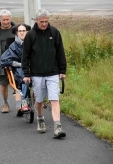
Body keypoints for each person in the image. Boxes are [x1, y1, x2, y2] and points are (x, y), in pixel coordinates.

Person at [22, 8, 67, 139]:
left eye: (46, 21)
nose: (44, 24)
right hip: (37, 73)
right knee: (39, 99)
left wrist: (62, 70)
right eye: (41, 21)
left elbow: (60, 52)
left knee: (54, 99)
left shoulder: (54, 32)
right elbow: (26, 55)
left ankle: (57, 126)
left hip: (52, 72)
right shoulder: (30, 35)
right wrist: (26, 73)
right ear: (36, 21)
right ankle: (40, 118)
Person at [0, 24, 31, 116]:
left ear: (27, 32)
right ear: (17, 33)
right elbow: (4, 60)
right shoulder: (13, 46)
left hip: (32, 67)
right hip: (19, 69)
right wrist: (19, 64)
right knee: (25, 78)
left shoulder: (32, 43)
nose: (22, 33)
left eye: (23, 31)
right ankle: (23, 102)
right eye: (20, 31)